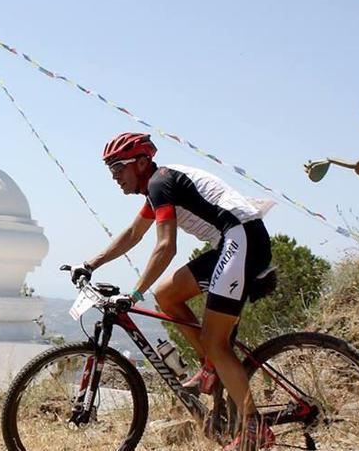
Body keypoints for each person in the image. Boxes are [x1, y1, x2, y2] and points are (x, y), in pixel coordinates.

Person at [70, 132, 274, 451]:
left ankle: (254, 427)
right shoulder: (159, 186)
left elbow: (166, 247)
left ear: (140, 163)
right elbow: (134, 233)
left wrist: (134, 295)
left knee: (215, 341)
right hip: (232, 241)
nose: (115, 178)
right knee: (166, 295)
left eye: (118, 169)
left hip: (242, 239)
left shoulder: (160, 183)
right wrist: (90, 263)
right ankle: (212, 365)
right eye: (111, 172)